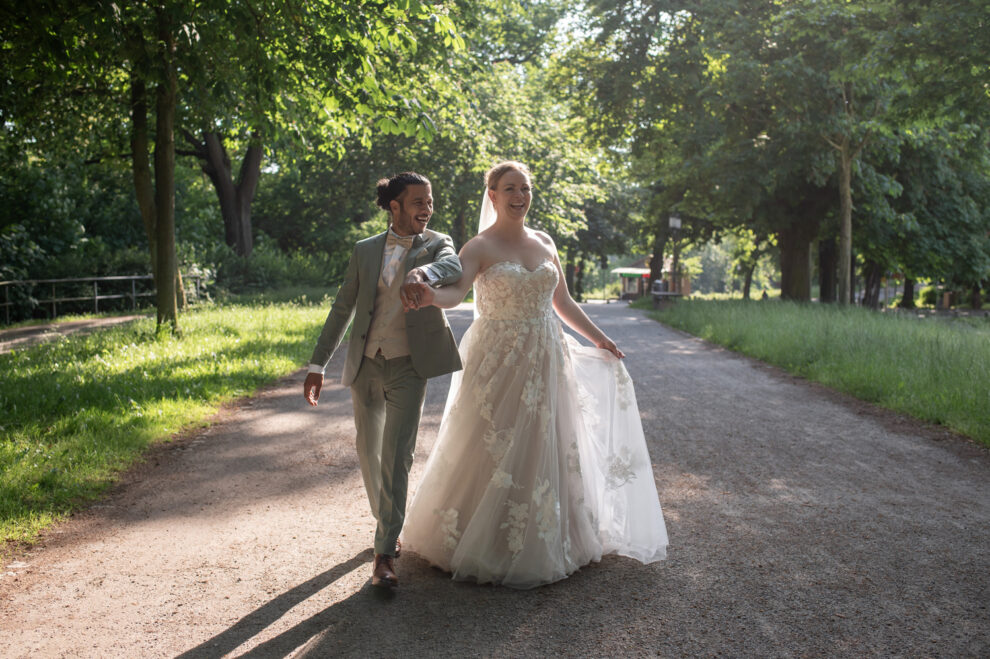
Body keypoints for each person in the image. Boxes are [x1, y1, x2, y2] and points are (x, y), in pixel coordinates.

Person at [400, 161, 667, 589]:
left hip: (546, 354)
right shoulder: (479, 247)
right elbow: (455, 293)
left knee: (546, 442)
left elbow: (563, 302)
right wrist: (430, 295)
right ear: (493, 195)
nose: (519, 196)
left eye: (525, 188)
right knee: (490, 441)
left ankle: (550, 537)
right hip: (498, 358)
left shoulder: (545, 242)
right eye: (510, 188)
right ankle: (478, 538)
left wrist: (600, 338)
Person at [303, 172, 463, 589]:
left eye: (430, 201)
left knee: (397, 457)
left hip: (410, 365)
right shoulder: (365, 250)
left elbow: (454, 264)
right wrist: (318, 364)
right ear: (394, 206)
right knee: (368, 450)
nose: (427, 209)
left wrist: (422, 274)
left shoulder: (436, 244)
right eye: (417, 202)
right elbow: (342, 308)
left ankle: (385, 551)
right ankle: (385, 522)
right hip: (366, 364)